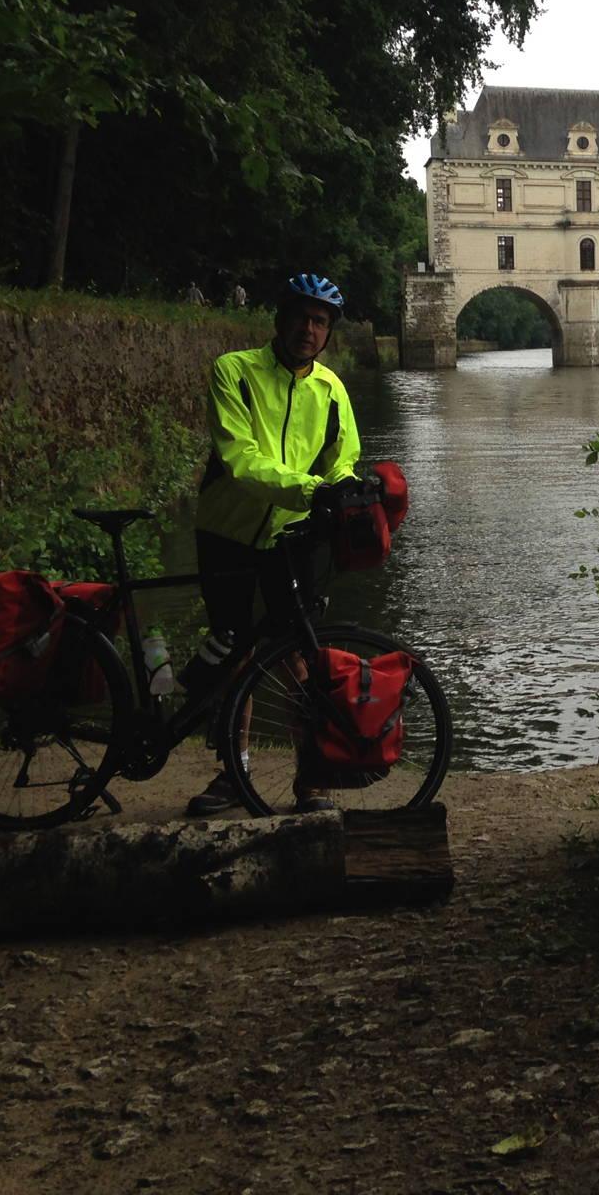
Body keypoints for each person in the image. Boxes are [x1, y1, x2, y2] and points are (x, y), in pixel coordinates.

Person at [186, 272, 361, 816]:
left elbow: (345, 457)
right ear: (279, 321)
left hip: (294, 536)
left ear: (328, 332)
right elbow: (239, 461)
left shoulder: (331, 389)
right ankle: (232, 774)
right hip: (229, 532)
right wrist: (315, 490)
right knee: (235, 652)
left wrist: (348, 490)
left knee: (299, 659)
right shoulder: (233, 372)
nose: (309, 330)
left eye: (320, 322)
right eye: (301, 318)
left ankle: (311, 779)